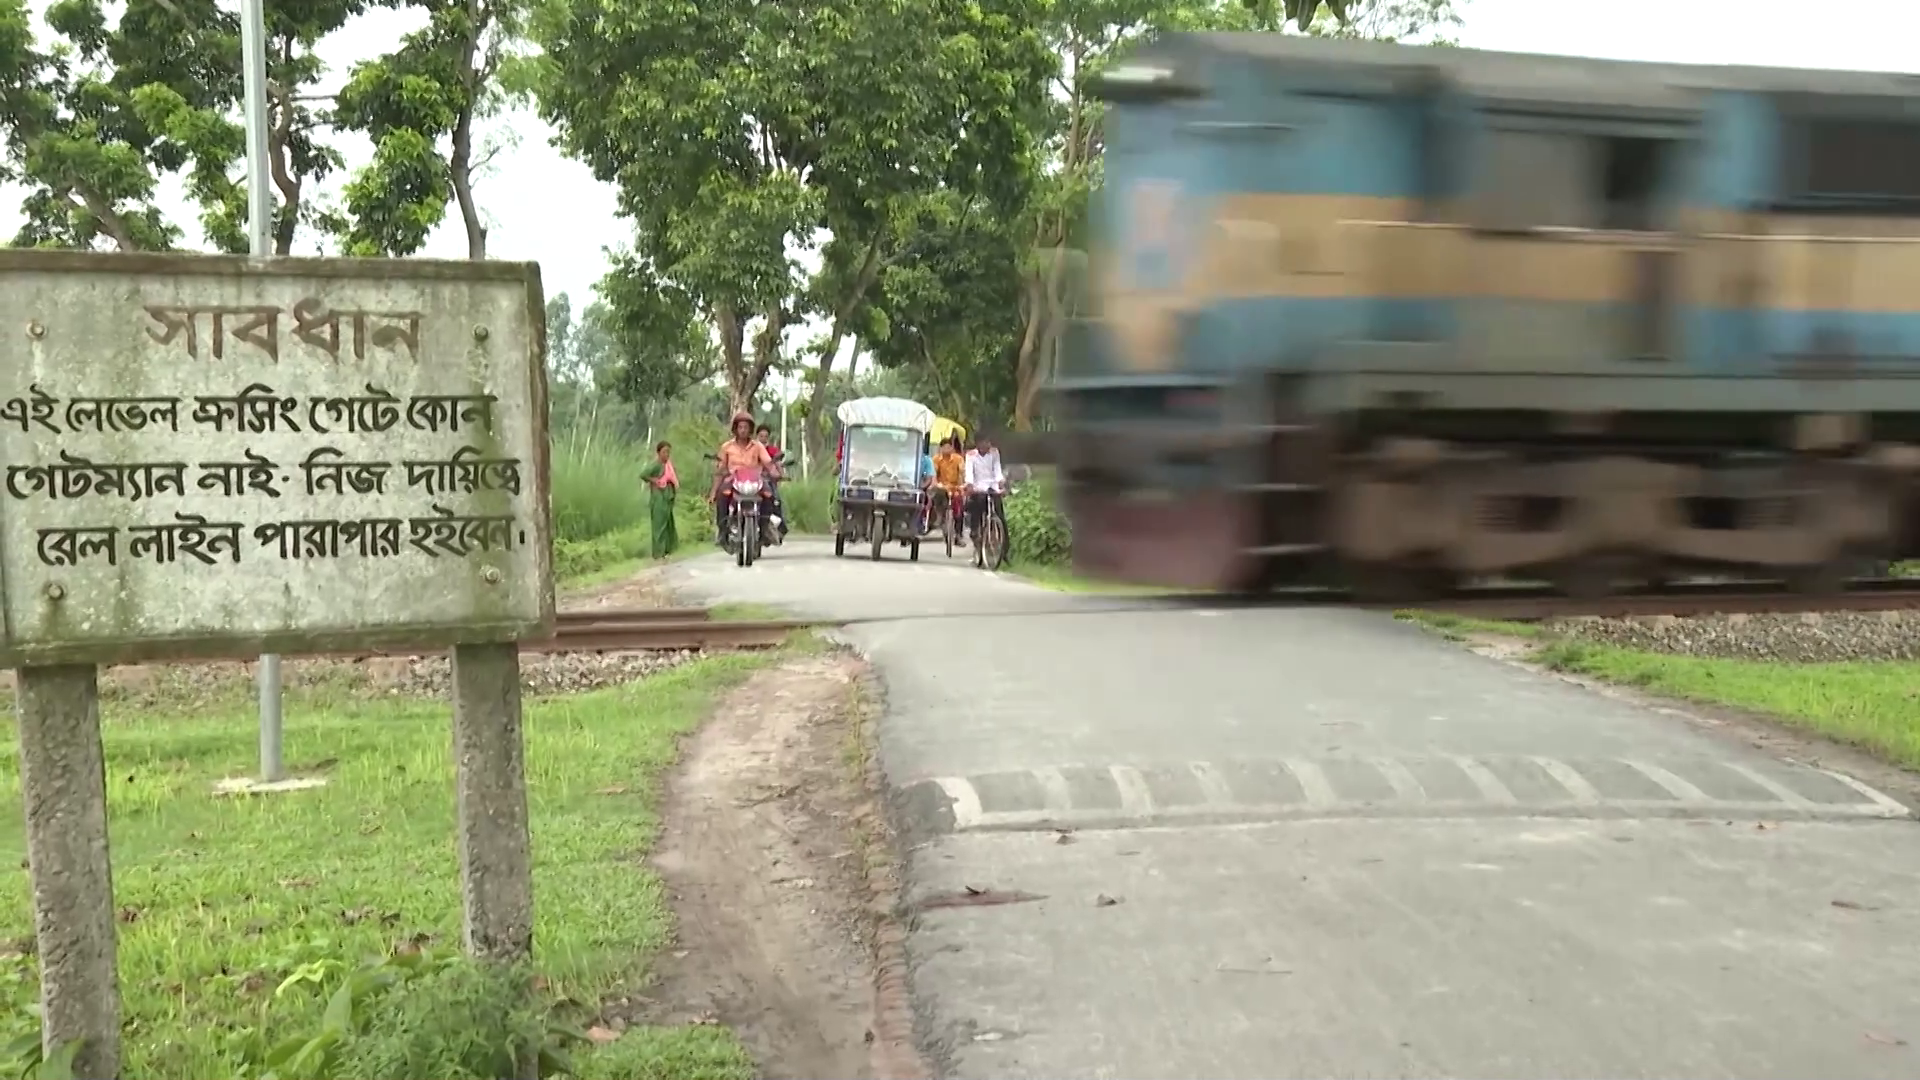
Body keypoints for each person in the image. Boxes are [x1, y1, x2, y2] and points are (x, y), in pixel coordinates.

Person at [712, 411, 777, 545]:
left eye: (746, 427)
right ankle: (723, 530)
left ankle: (765, 528)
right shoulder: (727, 447)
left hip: (755, 480)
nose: (743, 430)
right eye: (740, 427)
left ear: (750, 429)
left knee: (769, 494)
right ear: (735, 429)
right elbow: (720, 470)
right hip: (733, 480)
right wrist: (714, 491)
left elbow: (768, 463)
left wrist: (775, 472)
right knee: (721, 496)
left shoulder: (758, 446)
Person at [964, 432, 1007, 548]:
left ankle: (1004, 545)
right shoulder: (971, 455)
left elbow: (997, 470)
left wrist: (1000, 482)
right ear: (978, 443)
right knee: (977, 505)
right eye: (985, 442)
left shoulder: (994, 452)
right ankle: (975, 530)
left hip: (992, 486)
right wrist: (970, 485)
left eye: (989, 442)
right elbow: (969, 472)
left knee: (999, 513)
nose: (988, 445)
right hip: (978, 487)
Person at [638, 441, 679, 559]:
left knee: (668, 525)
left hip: (667, 498)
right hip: (658, 499)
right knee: (659, 526)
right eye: (664, 452)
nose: (667, 455)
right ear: (658, 452)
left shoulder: (667, 465)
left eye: (668, 452)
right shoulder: (656, 465)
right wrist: (654, 480)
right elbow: (643, 474)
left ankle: (667, 550)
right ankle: (658, 553)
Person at [754, 423, 789, 537]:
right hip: (752, 482)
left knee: (776, 500)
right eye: (761, 436)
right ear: (756, 436)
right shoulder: (751, 449)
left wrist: (781, 474)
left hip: (768, 481)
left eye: (765, 436)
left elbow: (777, 463)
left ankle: (780, 528)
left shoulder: (773, 450)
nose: (763, 439)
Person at [932, 436, 967, 546]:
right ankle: (939, 515)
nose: (947, 450)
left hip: (955, 487)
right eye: (945, 447)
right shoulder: (936, 459)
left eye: (949, 447)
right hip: (942, 487)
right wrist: (936, 484)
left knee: (959, 509)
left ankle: (958, 535)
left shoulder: (958, 459)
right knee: (937, 493)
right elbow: (934, 474)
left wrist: (962, 485)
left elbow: (962, 473)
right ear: (941, 448)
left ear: (952, 448)